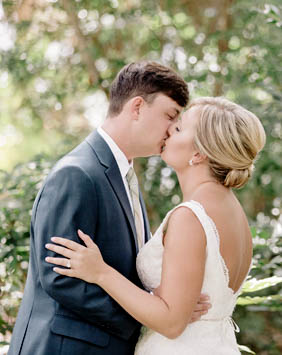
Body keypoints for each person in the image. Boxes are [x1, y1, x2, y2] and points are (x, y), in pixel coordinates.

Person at [8, 62, 210, 355]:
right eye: (169, 115)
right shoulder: (77, 173)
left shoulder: (126, 177)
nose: (172, 129)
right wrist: (149, 318)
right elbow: (60, 277)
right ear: (137, 107)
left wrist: (168, 303)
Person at [45, 96, 266, 354]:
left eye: (180, 128)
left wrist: (101, 272)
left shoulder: (190, 216)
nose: (170, 129)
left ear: (199, 153)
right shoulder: (233, 211)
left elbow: (171, 323)